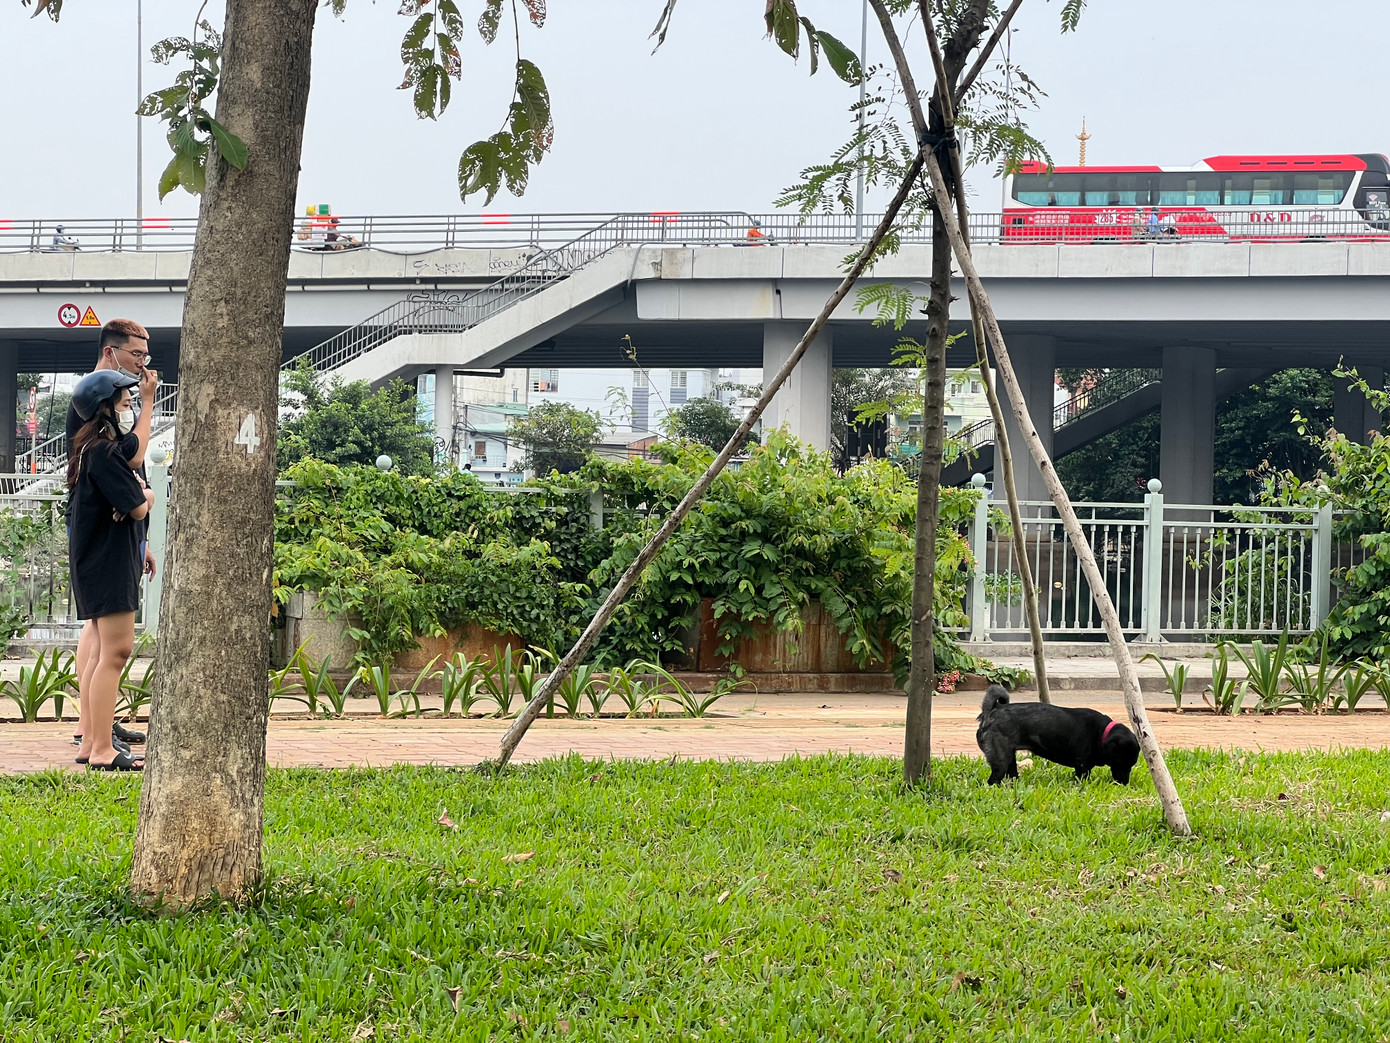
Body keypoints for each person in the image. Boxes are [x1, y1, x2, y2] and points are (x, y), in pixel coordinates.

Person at [67, 319, 158, 755]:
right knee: (113, 651)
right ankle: (97, 740)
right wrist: (146, 495)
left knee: (103, 646)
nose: (141, 367)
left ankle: (94, 734)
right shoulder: (102, 448)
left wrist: (141, 534)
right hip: (106, 553)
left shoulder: (96, 445)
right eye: (136, 356)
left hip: (109, 547)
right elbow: (135, 471)